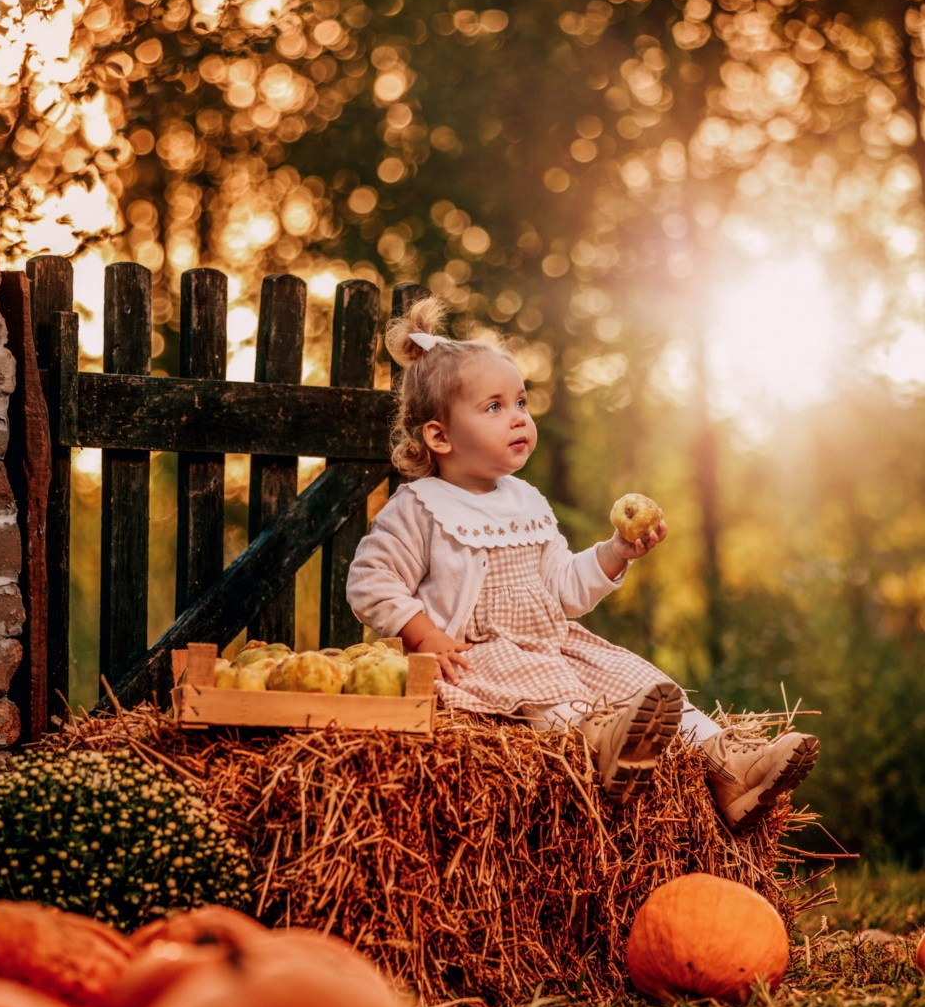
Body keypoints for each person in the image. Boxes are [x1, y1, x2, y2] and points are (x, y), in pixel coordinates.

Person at [346, 296, 818, 831]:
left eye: (521, 402)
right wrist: (424, 634)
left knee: (641, 684)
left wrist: (615, 553)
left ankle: (729, 766)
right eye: (494, 407)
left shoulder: (527, 503)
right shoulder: (419, 508)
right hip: (478, 657)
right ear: (439, 436)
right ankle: (601, 744)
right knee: (556, 695)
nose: (519, 417)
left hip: (553, 644)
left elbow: (563, 588)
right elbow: (371, 581)